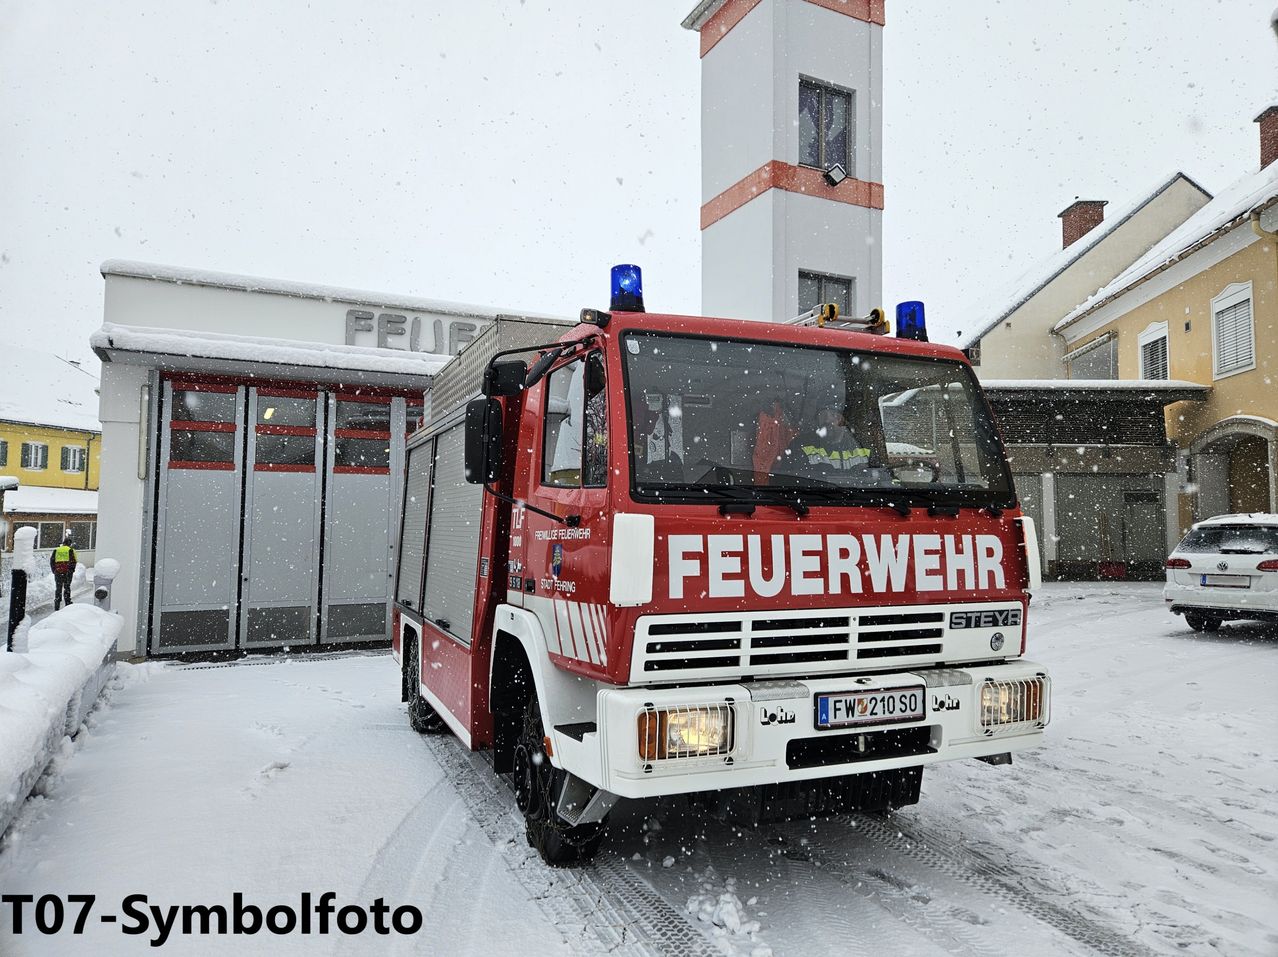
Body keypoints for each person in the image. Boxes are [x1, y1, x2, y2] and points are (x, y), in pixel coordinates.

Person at [774, 404, 872, 476]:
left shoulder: (863, 446)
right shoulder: (801, 445)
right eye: (823, 415)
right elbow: (791, 482)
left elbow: (879, 477)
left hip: (859, 501)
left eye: (834, 414)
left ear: (844, 419)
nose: (827, 420)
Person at [50, 531, 77, 610]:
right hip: (67, 572)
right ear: (70, 544)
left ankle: (57, 603)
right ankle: (67, 603)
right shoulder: (70, 550)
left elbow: (52, 561)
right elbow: (73, 561)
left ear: (63, 543)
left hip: (58, 572)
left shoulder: (57, 550)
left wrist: (54, 570)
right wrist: (71, 570)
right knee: (67, 587)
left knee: (58, 588)